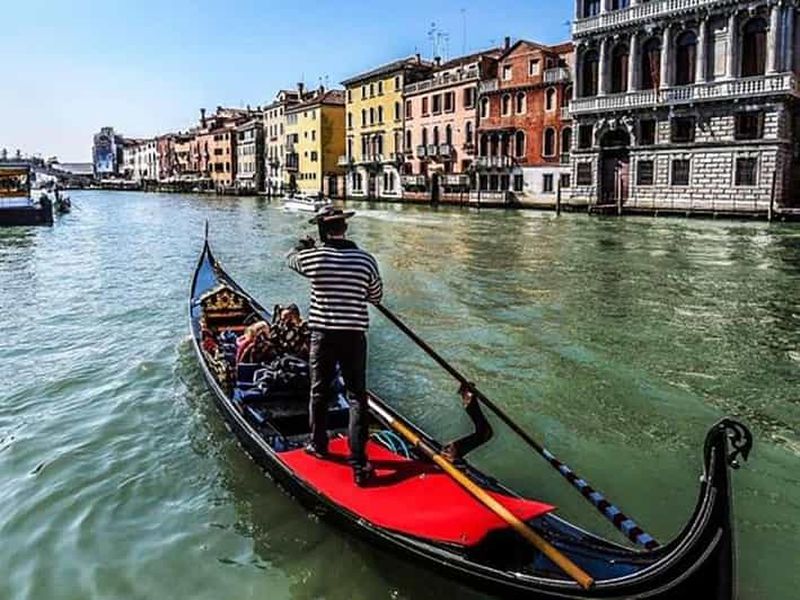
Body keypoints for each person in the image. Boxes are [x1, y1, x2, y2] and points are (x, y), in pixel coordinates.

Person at [288, 206, 383, 486]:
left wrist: (303, 247)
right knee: (356, 397)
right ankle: (358, 461)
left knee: (319, 392)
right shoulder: (366, 260)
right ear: (345, 228)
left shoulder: (314, 258)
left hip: (323, 335)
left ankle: (318, 445)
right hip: (354, 335)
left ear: (321, 231)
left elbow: (290, 260)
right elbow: (375, 296)